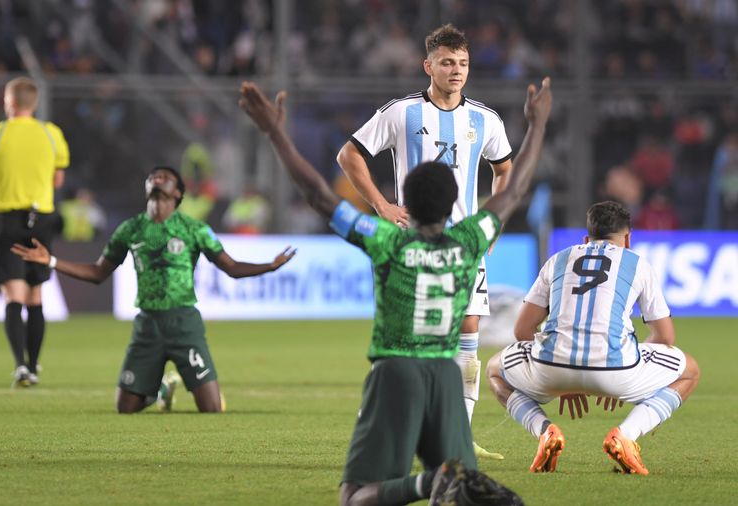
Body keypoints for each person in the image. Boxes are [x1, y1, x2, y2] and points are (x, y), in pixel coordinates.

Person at [237, 75, 550, 505]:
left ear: (407, 200)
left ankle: (427, 484)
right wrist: (538, 125)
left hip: (397, 373)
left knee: (356, 495)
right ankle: (447, 479)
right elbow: (512, 190)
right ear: (453, 200)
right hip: (445, 376)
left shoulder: (386, 242)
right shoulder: (469, 243)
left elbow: (317, 194)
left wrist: (274, 131)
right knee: (458, 483)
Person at [336, 24, 513, 458]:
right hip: (412, 242)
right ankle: (387, 418)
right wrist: (380, 204)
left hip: (463, 244)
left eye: (463, 63)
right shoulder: (402, 113)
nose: (456, 71)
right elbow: (349, 155)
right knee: (406, 333)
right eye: (448, 62)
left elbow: (506, 170)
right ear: (428, 65)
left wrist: (495, 220)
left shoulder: (485, 120)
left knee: (469, 327)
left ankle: (460, 429)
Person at [11, 166, 296, 413]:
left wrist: (269, 267)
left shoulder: (193, 229)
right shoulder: (130, 229)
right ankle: (161, 390)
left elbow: (231, 267)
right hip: (147, 325)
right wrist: (51, 260)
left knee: (211, 409)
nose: (157, 178)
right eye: (153, 176)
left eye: (165, 176)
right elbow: (98, 273)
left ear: (177, 193)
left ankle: (192, 386)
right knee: (125, 409)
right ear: (147, 188)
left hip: (184, 323)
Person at [486, 201, 700, 475]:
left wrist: (566, 371)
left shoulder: (559, 258)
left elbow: (522, 330)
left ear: (586, 239)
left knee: (495, 371)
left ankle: (544, 431)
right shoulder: (637, 264)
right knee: (690, 371)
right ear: (628, 239)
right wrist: (625, 363)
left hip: (551, 368)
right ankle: (626, 435)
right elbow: (665, 336)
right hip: (618, 370)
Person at [0, 77, 70, 388]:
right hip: (41, 218)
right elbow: (58, 180)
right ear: (34, 103)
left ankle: (20, 367)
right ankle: (34, 364)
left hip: (6, 218)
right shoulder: (51, 134)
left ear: (10, 102)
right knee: (35, 294)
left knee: (12, 294)